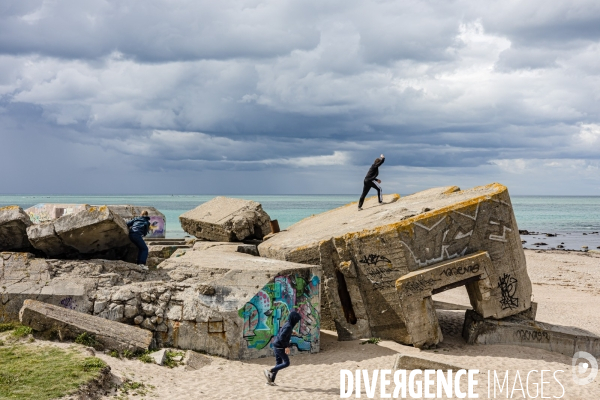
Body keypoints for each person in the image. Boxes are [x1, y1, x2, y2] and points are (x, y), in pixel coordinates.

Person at [263, 311, 302, 386]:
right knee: (287, 363)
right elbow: (282, 337)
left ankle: (270, 381)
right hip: (279, 346)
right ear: (293, 319)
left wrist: (291, 332)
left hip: (276, 345)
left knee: (279, 363)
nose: (297, 322)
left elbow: (282, 332)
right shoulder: (288, 327)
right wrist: (286, 347)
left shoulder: (288, 324)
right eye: (296, 320)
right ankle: (270, 370)